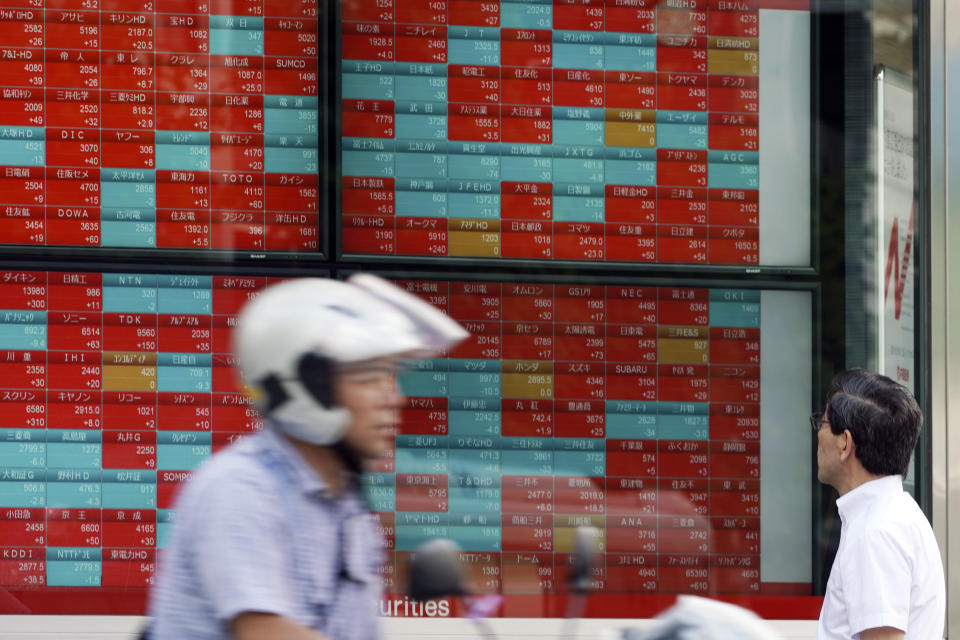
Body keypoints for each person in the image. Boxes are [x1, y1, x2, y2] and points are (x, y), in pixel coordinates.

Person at [148, 274, 468, 640]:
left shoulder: (348, 509)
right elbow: (265, 631)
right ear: (307, 387)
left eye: (392, 377)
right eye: (369, 378)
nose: (394, 398)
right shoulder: (241, 489)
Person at [814, 369, 945, 640]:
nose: (818, 434)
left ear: (845, 445)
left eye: (822, 422)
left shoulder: (875, 531)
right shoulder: (890, 515)